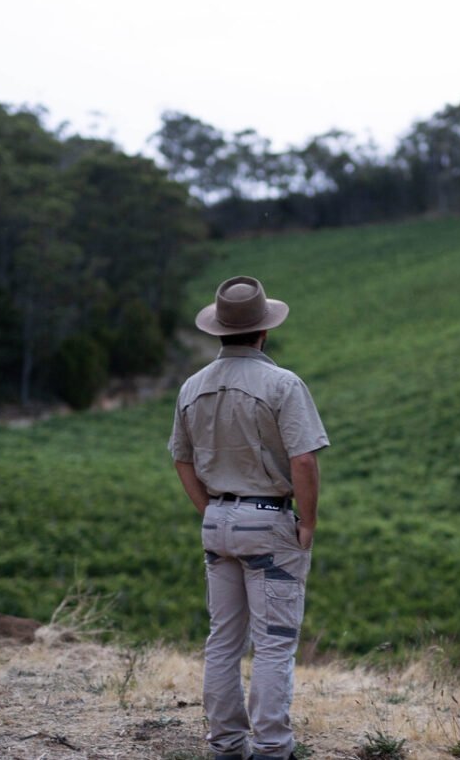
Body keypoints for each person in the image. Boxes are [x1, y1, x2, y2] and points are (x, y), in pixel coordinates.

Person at [169, 276, 329, 760]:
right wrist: (308, 522)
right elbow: (303, 460)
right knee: (274, 643)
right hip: (269, 521)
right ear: (264, 333)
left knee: (223, 641)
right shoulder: (282, 384)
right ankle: (273, 749)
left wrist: (211, 509)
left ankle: (226, 746)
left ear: (219, 331)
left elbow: (181, 459)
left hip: (217, 521)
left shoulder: (192, 387)